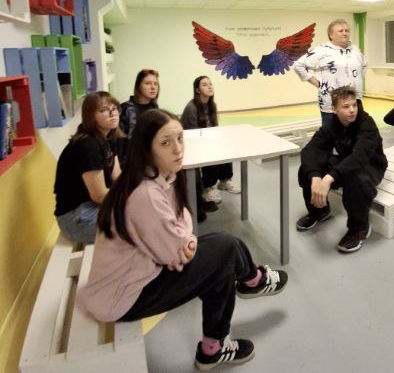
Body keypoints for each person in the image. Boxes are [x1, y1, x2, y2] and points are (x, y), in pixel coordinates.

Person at [79, 110, 287, 370]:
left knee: (222, 262)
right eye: (165, 143)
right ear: (146, 148)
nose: (178, 149)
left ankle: (214, 347)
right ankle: (251, 279)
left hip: (134, 277)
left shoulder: (157, 175)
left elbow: (183, 217)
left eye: (180, 138)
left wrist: (184, 239)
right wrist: (183, 242)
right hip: (123, 298)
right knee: (225, 247)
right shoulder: (145, 194)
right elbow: (175, 253)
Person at [295, 86, 386, 254]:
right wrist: (315, 176)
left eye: (354, 105)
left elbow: (360, 156)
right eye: (345, 106)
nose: (352, 110)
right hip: (347, 163)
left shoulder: (366, 123)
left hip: (371, 165)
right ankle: (319, 211)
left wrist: (329, 178)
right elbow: (310, 149)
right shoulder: (331, 125)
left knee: (355, 177)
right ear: (334, 109)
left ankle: (359, 228)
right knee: (307, 169)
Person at [53, 92, 126, 243]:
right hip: (76, 218)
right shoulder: (87, 145)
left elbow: (117, 177)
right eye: (104, 110)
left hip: (93, 207)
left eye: (114, 108)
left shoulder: (108, 138)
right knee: (138, 225)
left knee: (142, 212)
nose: (112, 113)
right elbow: (99, 196)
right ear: (90, 116)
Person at [292, 18, 367, 128]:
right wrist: (317, 83)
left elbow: (364, 66)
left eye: (347, 30)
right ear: (331, 35)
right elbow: (298, 65)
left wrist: (357, 81)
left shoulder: (355, 50)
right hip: (331, 103)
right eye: (340, 31)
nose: (345, 33)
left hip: (354, 102)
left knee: (356, 132)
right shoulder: (321, 50)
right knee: (331, 134)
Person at [182, 77, 239, 209]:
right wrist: (211, 140)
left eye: (210, 84)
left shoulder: (212, 105)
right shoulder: (191, 108)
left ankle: (224, 180)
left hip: (205, 139)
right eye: (204, 85)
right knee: (212, 151)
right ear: (197, 90)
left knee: (224, 145)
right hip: (191, 143)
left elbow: (214, 128)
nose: (209, 86)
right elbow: (192, 135)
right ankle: (208, 187)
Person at [119, 69, 161, 136]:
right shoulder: (125, 108)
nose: (153, 87)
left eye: (156, 84)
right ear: (138, 86)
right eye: (147, 83)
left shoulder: (155, 107)